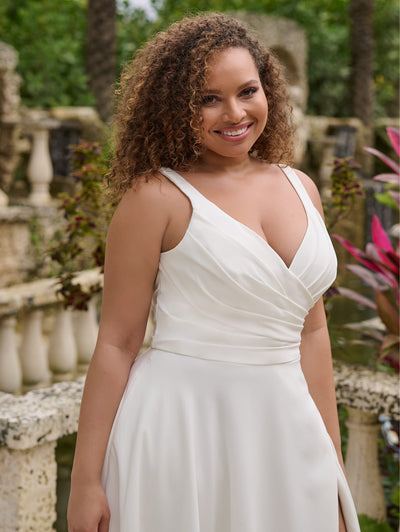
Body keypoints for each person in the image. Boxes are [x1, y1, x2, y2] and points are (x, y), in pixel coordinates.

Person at [67, 13, 361, 532]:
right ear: (175, 107)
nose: (234, 113)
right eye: (208, 98)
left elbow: (312, 333)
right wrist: (85, 482)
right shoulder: (155, 198)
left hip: (286, 429)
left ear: (269, 88)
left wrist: (333, 460)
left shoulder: (302, 187)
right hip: (181, 429)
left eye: (247, 90)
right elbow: (116, 342)